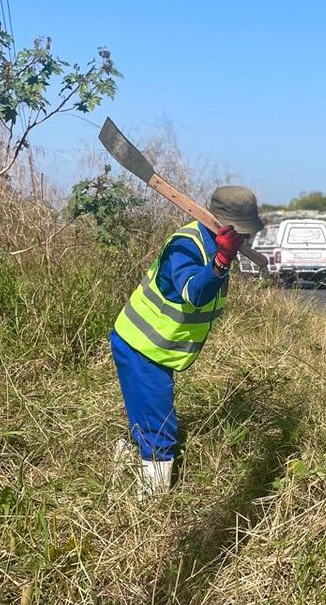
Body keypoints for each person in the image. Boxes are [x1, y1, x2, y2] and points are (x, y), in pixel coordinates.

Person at [110, 185, 264, 498]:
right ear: (225, 224)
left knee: (147, 415)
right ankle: (151, 508)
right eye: (243, 232)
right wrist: (220, 261)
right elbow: (193, 293)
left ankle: (123, 469)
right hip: (142, 345)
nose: (247, 239)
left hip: (154, 348)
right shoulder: (187, 245)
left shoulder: (220, 244)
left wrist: (224, 255)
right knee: (161, 431)